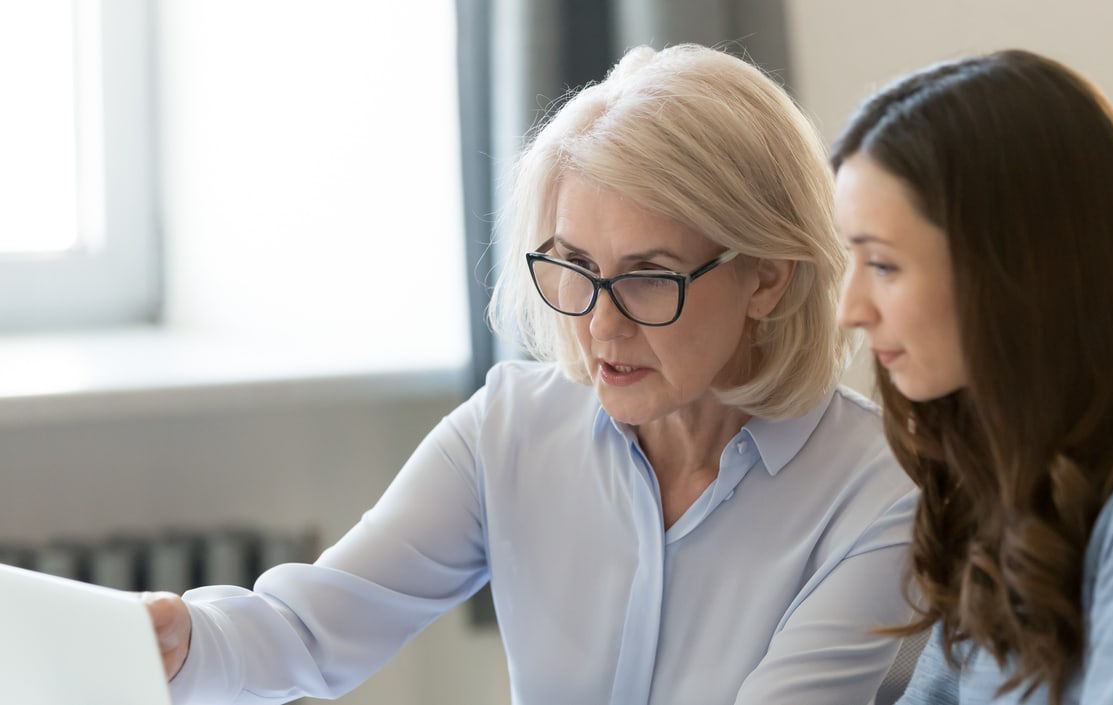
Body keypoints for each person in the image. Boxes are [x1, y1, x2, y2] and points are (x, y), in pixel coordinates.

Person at [143, 44, 918, 705]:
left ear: (768, 278)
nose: (599, 324)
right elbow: (311, 626)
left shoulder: (878, 490)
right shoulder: (510, 428)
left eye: (649, 275)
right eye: (575, 266)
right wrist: (186, 638)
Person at [831, 48, 1113, 705]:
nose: (850, 309)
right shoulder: (1022, 496)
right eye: (851, 262)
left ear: (1011, 273)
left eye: (882, 264)